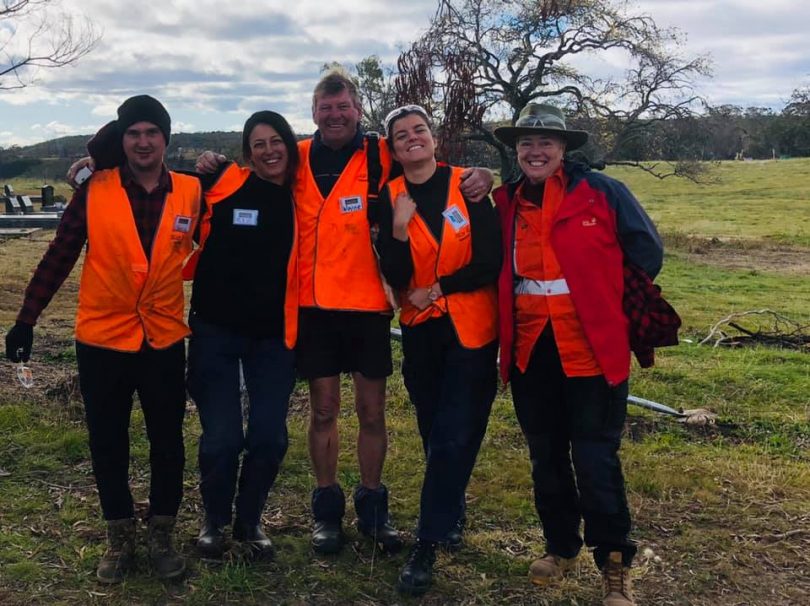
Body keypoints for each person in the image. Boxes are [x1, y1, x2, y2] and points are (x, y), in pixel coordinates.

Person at [197, 67, 494, 556]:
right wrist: (207, 161)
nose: (335, 115)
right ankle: (326, 510)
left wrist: (481, 175)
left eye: (344, 107)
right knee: (323, 411)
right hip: (312, 308)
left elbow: (432, 170)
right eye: (325, 108)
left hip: (368, 308)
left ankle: (373, 508)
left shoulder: (381, 154)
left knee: (373, 412)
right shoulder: (296, 157)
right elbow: (241, 177)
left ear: (358, 110)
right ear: (313, 113)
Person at [4, 95, 201, 583]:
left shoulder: (193, 192)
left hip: (162, 339)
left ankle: (161, 535)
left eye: (152, 132)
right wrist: (27, 319)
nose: (142, 141)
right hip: (102, 342)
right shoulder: (95, 189)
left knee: (167, 443)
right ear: (122, 139)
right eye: (132, 132)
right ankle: (119, 539)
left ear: (165, 138)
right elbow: (59, 254)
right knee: (107, 443)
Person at [492, 103, 664, 606]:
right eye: (526, 142)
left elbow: (646, 251)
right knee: (546, 456)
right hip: (531, 348)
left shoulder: (602, 193)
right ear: (517, 150)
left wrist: (606, 297)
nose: (536, 150)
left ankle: (615, 564)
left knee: (594, 458)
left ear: (564, 148)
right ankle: (560, 547)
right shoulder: (506, 201)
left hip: (590, 346)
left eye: (546, 141)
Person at [375, 105, 501, 595]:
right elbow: (398, 276)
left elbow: (488, 259)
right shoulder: (389, 197)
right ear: (393, 148)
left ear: (433, 137)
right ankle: (450, 509)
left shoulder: (468, 185)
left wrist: (442, 286)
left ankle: (426, 543)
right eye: (402, 135)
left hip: (471, 330)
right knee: (434, 429)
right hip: (422, 332)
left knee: (455, 433)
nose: (412, 139)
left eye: (419, 130)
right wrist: (401, 230)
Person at [183, 111, 300, 560]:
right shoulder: (223, 184)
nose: (269, 150)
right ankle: (214, 519)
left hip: (274, 337)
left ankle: (249, 519)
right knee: (223, 438)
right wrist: (87, 166)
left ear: (289, 145)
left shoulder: (302, 196)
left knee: (270, 436)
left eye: (277, 141)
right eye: (259, 144)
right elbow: (163, 183)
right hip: (215, 329)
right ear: (247, 151)